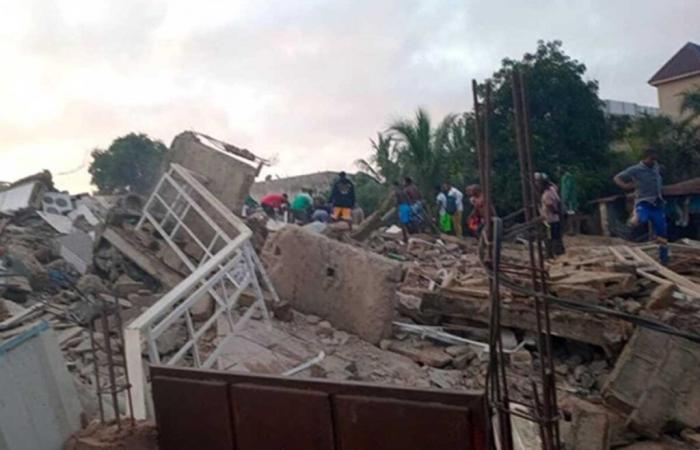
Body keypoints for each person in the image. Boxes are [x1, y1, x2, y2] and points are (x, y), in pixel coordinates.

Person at [614, 148, 669, 265]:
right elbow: (617, 177)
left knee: (662, 231)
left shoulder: (656, 167)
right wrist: (625, 186)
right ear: (644, 158)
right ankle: (629, 224)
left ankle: (664, 259)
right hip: (643, 202)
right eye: (651, 159)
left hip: (657, 203)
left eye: (655, 159)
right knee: (641, 219)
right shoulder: (635, 169)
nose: (653, 161)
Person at [540, 179, 565, 258]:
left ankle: (551, 254)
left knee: (549, 236)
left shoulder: (546, 194)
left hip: (548, 219)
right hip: (554, 218)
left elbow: (549, 205)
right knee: (556, 236)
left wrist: (556, 211)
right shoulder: (553, 191)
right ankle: (558, 252)